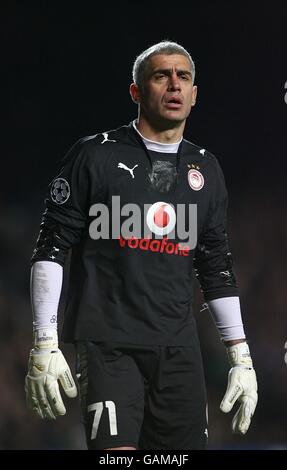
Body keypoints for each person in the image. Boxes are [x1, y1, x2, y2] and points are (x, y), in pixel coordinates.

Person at [25, 40, 258, 450]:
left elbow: (216, 265)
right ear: (135, 91)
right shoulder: (92, 156)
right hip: (108, 347)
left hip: (179, 352)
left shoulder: (206, 169)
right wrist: (45, 341)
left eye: (183, 76)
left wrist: (241, 354)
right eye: (160, 75)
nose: (174, 85)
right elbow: (51, 247)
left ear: (194, 94)